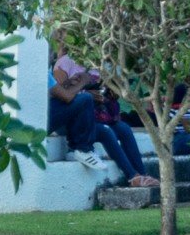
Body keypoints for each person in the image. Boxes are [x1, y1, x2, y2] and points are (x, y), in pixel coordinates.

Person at [49, 51, 150, 185]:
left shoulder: (101, 62)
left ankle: (142, 174)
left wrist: (110, 93)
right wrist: (84, 86)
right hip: (72, 120)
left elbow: (64, 89)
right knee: (105, 131)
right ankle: (132, 176)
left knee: (124, 129)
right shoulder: (64, 63)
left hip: (97, 115)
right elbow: (62, 97)